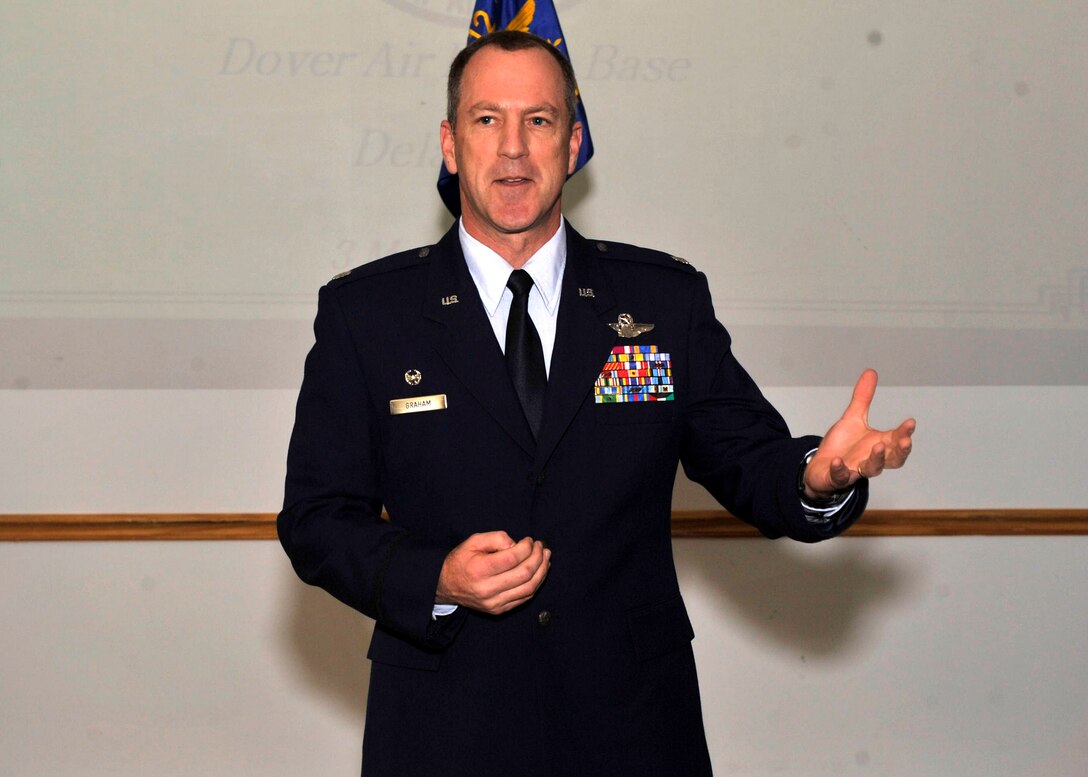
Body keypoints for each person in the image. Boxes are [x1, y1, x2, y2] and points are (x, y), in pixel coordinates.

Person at [278, 30, 914, 777]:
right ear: (450, 145)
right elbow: (317, 520)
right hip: (445, 730)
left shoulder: (659, 302)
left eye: (539, 121)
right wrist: (437, 575)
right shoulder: (369, 315)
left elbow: (751, 463)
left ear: (572, 143)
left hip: (633, 729)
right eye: (487, 120)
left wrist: (817, 476)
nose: (513, 147)